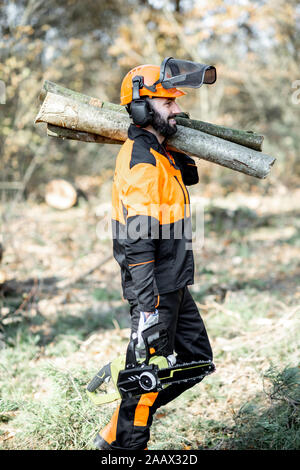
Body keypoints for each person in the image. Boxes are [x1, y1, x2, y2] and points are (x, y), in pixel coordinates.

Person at [94, 62, 213, 450]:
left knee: (197, 360)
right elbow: (138, 243)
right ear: (142, 107)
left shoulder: (160, 153)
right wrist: (147, 311)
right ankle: (124, 447)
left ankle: (119, 424)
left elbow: (189, 179)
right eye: (167, 102)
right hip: (155, 288)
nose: (177, 109)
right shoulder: (141, 162)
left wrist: (177, 143)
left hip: (173, 280)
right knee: (147, 380)